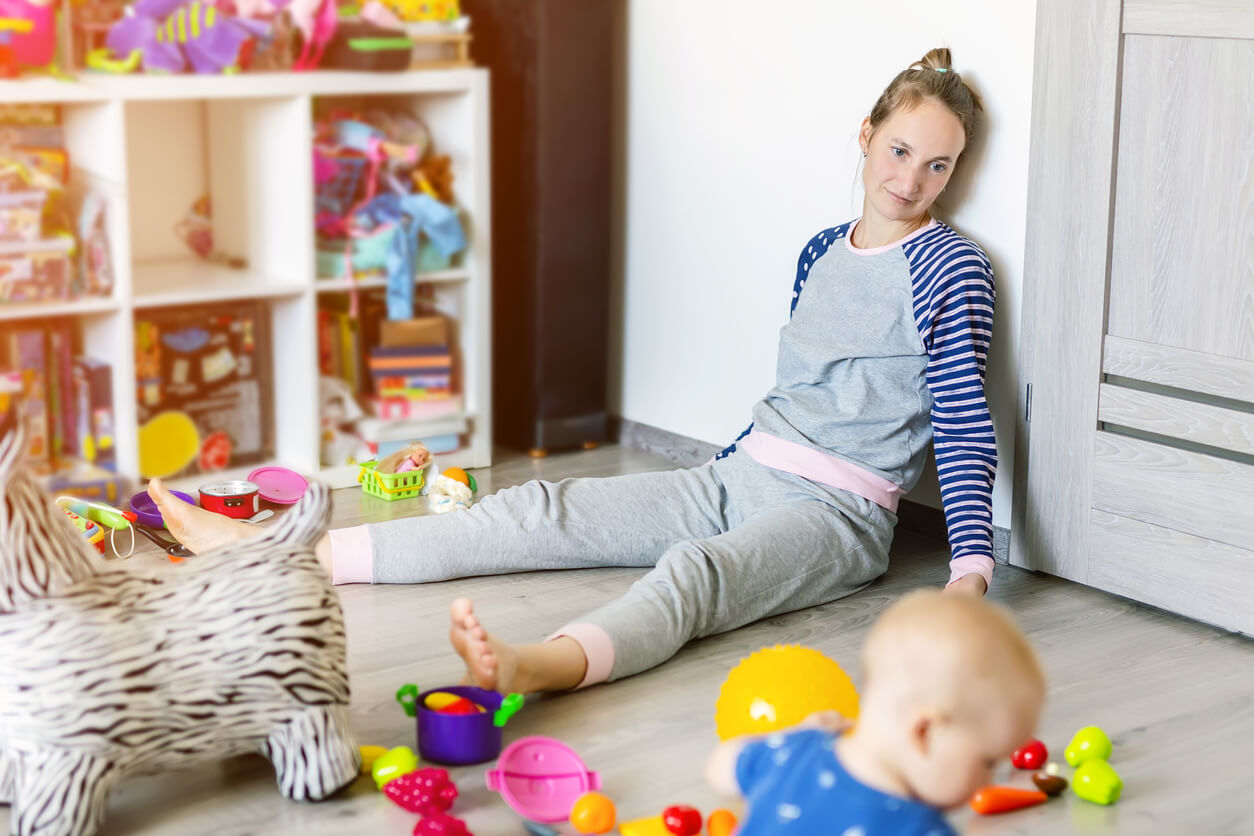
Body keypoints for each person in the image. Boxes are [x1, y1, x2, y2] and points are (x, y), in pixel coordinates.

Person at [147, 46, 997, 698]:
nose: (911, 179)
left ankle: (538, 666)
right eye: (899, 150)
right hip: (739, 477)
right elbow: (800, 389)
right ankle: (281, 551)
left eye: (939, 165)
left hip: (836, 515)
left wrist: (970, 572)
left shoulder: (950, 267)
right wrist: (727, 467)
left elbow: (963, 422)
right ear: (865, 135)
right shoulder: (821, 251)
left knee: (695, 575)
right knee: (536, 508)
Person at [705, 591, 1046, 835]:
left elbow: (719, 767)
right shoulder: (919, 829)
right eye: (987, 762)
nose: (988, 783)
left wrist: (794, 735)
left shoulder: (790, 752)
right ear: (924, 731)